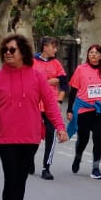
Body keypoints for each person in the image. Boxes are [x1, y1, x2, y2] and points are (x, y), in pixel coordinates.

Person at [0, 33, 68, 200]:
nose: (8, 54)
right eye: (5, 50)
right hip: (6, 138)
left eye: (12, 50)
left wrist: (60, 127)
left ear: (23, 52)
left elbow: (49, 103)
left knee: (20, 181)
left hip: (30, 137)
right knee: (10, 179)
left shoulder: (36, 76)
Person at [67, 43, 101, 178]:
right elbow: (73, 91)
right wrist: (70, 110)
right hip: (84, 109)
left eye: (96, 53)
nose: (93, 55)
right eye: (91, 53)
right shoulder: (80, 69)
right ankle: (78, 156)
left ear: (100, 56)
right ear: (88, 55)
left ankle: (95, 168)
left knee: (98, 138)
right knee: (83, 138)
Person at [36, 37, 68, 179]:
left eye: (56, 47)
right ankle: (29, 159)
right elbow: (29, 83)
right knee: (33, 136)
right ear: (44, 47)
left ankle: (46, 167)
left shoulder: (57, 64)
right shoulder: (31, 62)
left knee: (51, 136)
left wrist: (59, 101)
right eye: (53, 47)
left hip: (51, 105)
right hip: (34, 105)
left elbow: (64, 85)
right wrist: (48, 82)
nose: (56, 50)